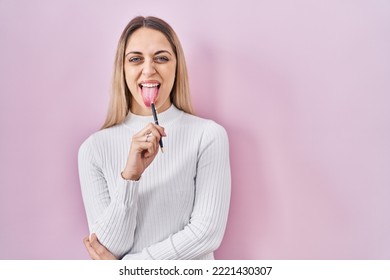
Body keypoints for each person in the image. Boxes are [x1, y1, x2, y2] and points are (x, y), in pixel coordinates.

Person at [78, 16, 231, 260]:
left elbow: (207, 233)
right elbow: (105, 248)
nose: (148, 69)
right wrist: (130, 177)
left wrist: (130, 267)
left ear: (176, 66)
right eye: (135, 59)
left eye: (161, 58)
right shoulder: (93, 149)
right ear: (123, 68)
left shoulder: (208, 136)